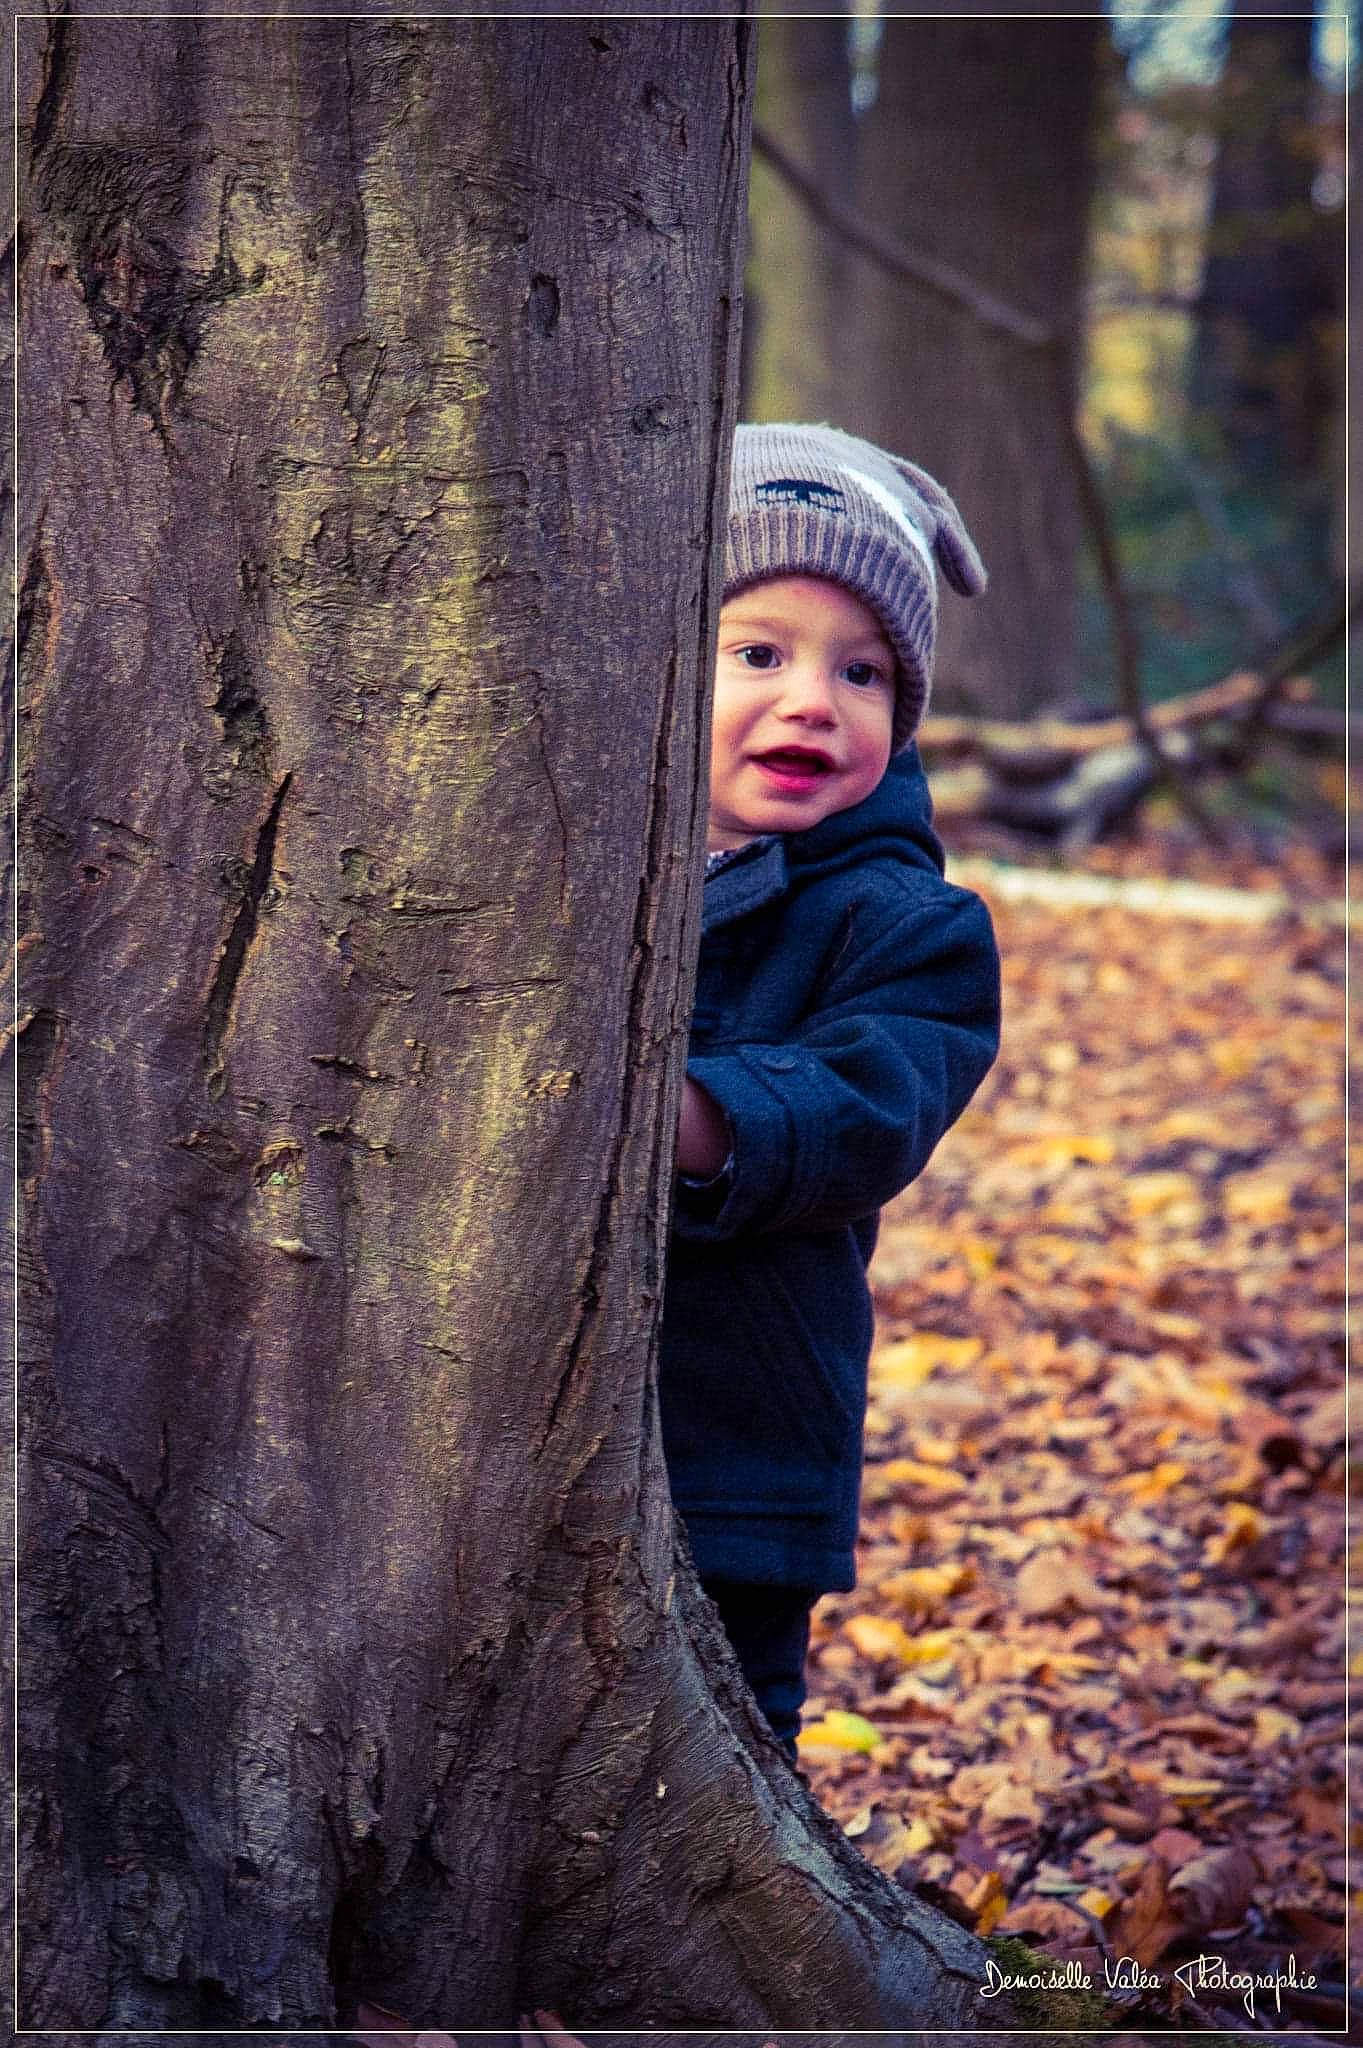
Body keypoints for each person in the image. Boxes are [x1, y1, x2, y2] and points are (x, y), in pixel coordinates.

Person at [659, 422, 1002, 1762]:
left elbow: (875, 1100)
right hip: (498, 1420)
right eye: (760, 653)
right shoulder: (557, 855)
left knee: (729, 1739)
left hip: (741, 1449)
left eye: (863, 673)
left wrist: (696, 1115)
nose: (815, 701)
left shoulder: (905, 924)